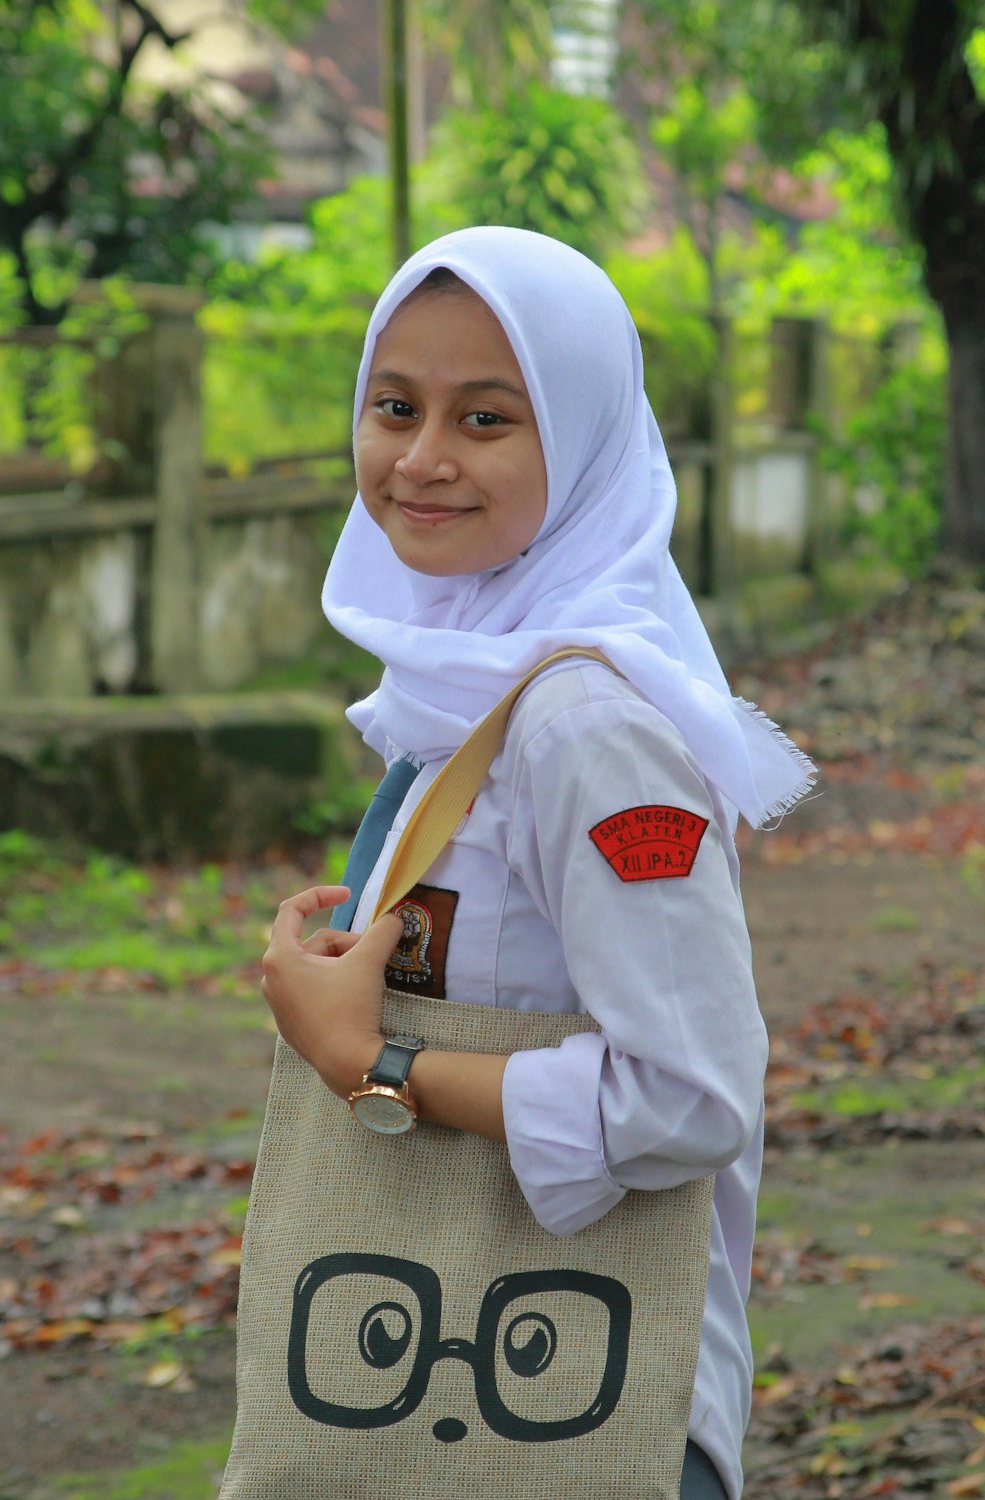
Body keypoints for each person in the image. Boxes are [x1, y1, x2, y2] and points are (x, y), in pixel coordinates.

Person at [259, 226, 815, 1499]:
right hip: (464, 1377)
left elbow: (689, 1099)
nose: (420, 459)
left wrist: (373, 1063)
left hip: (574, 1405)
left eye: (487, 420)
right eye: (393, 407)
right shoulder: (467, 682)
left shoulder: (590, 728)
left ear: (580, 440)